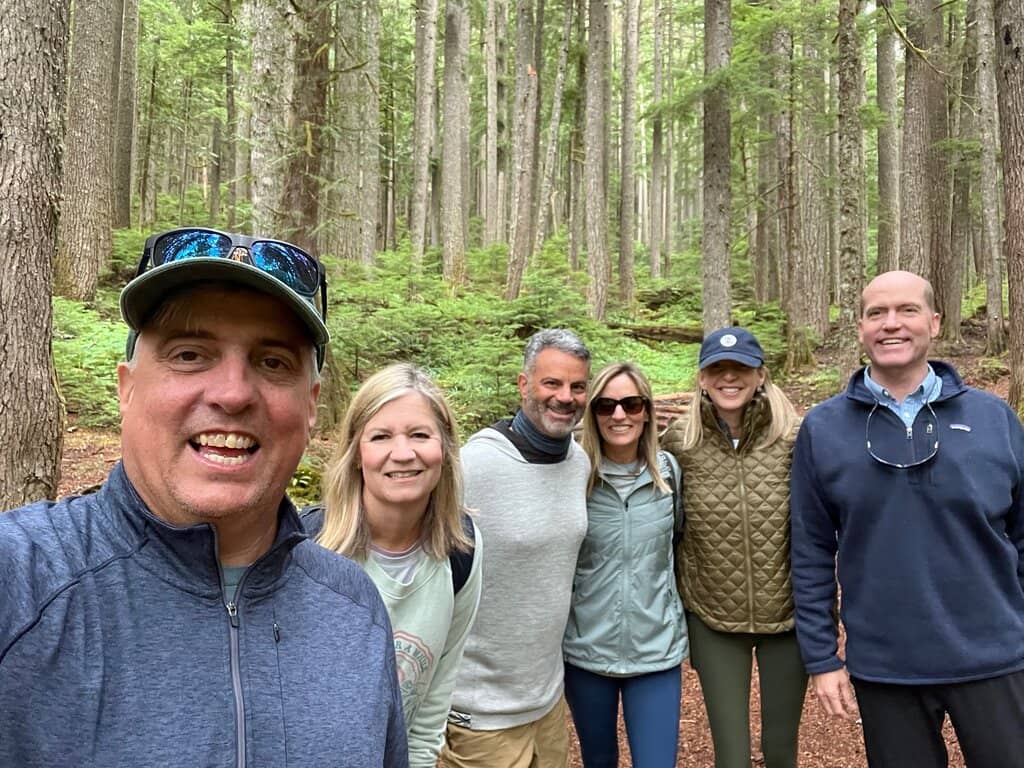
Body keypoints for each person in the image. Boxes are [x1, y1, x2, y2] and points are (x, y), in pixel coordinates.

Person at [0, 227, 408, 767]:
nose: (233, 393)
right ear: (126, 386)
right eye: (190, 354)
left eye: (273, 362)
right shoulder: (20, 585)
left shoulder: (354, 611)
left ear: (311, 408)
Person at [790, 270, 1024, 768]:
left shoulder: (994, 419)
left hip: (994, 656)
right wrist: (823, 656)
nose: (890, 324)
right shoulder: (823, 428)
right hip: (886, 665)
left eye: (907, 311)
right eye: (877, 313)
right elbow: (810, 549)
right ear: (860, 327)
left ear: (934, 323)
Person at [308, 362, 483, 767]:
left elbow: (432, 706)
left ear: (445, 449)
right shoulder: (308, 550)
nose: (403, 454)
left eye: (420, 435)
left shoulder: (463, 550)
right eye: (381, 436)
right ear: (356, 454)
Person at [440, 328, 592, 768]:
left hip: (547, 702)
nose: (565, 397)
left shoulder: (578, 462)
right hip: (480, 712)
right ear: (524, 384)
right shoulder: (475, 465)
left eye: (577, 386)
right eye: (552, 383)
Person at [661, 327, 806, 768]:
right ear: (702, 379)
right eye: (717, 369)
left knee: (781, 751)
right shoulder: (679, 443)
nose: (729, 378)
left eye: (740, 368)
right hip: (713, 618)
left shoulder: (797, 437)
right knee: (732, 757)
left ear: (760, 375)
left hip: (788, 616)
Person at [563, 361, 688, 768]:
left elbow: (679, 547)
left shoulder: (669, 474)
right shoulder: (571, 479)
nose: (619, 415)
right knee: (599, 761)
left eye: (632, 404)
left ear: (648, 411)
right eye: (606, 405)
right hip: (586, 653)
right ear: (592, 413)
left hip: (656, 652)